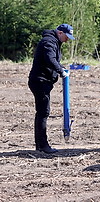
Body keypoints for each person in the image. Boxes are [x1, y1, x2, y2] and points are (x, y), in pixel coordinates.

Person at [28, 24, 75, 154]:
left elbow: (53, 60)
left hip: (44, 81)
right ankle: (42, 145)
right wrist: (60, 70)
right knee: (43, 112)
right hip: (40, 81)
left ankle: (40, 145)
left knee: (43, 112)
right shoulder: (48, 42)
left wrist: (61, 68)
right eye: (66, 36)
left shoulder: (54, 41)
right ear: (60, 33)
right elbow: (50, 59)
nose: (67, 39)